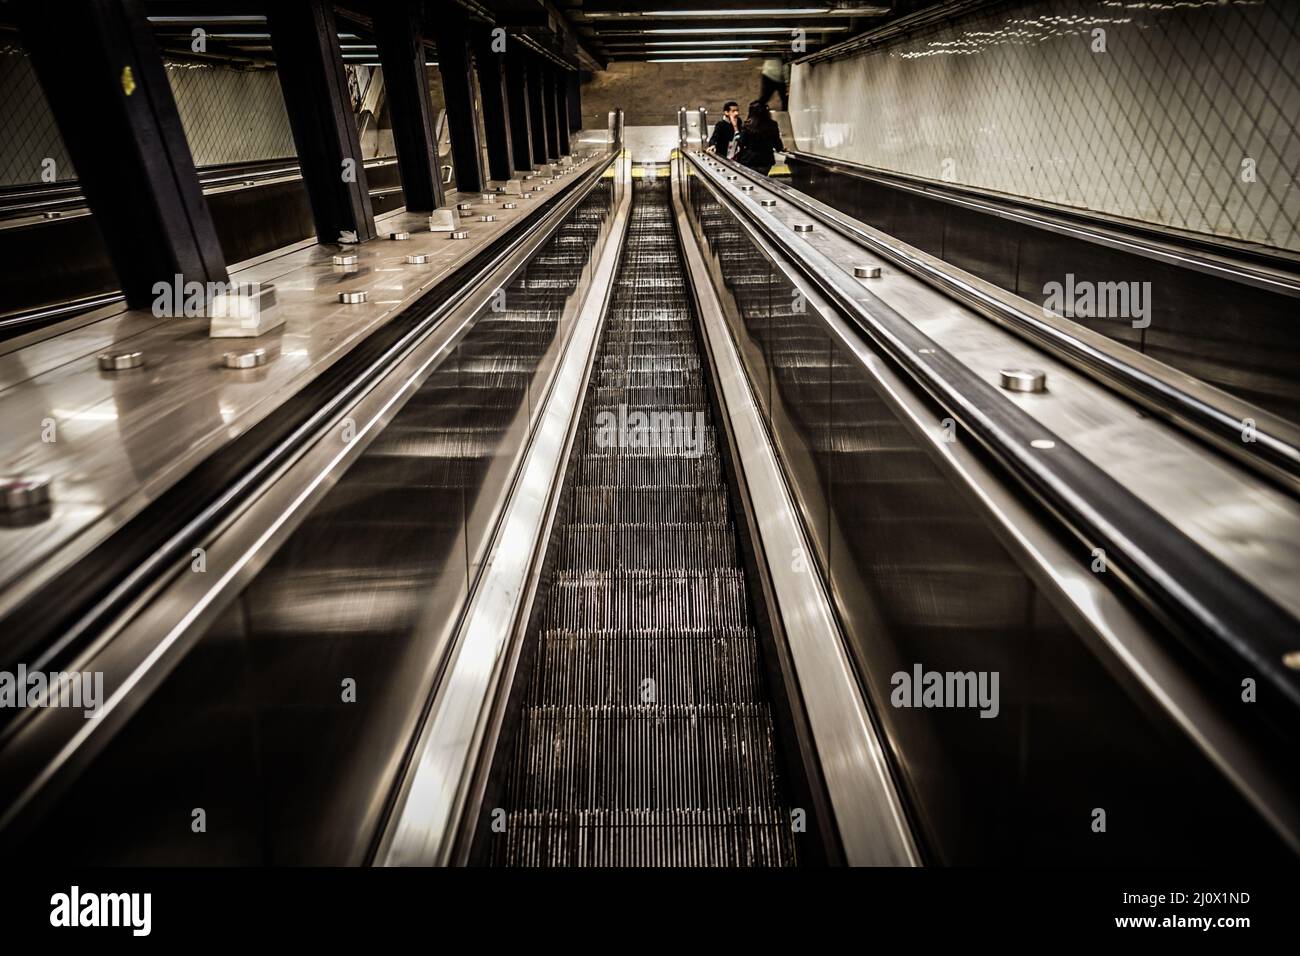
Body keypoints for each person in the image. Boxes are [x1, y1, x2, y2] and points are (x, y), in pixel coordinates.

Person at [735, 101, 784, 176]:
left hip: (749, 160)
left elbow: (742, 142)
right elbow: (777, 143)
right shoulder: (773, 124)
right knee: (762, 179)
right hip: (766, 160)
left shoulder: (747, 125)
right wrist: (781, 148)